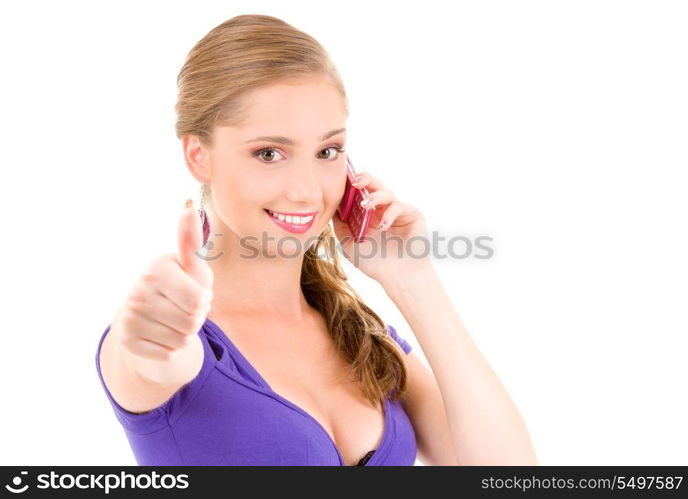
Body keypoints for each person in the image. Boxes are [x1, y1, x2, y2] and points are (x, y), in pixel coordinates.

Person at [95, 14, 537, 466]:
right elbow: (150, 359)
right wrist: (146, 336)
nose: (307, 190)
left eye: (327, 151)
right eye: (269, 153)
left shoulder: (362, 337)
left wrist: (413, 279)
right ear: (198, 157)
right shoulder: (179, 339)